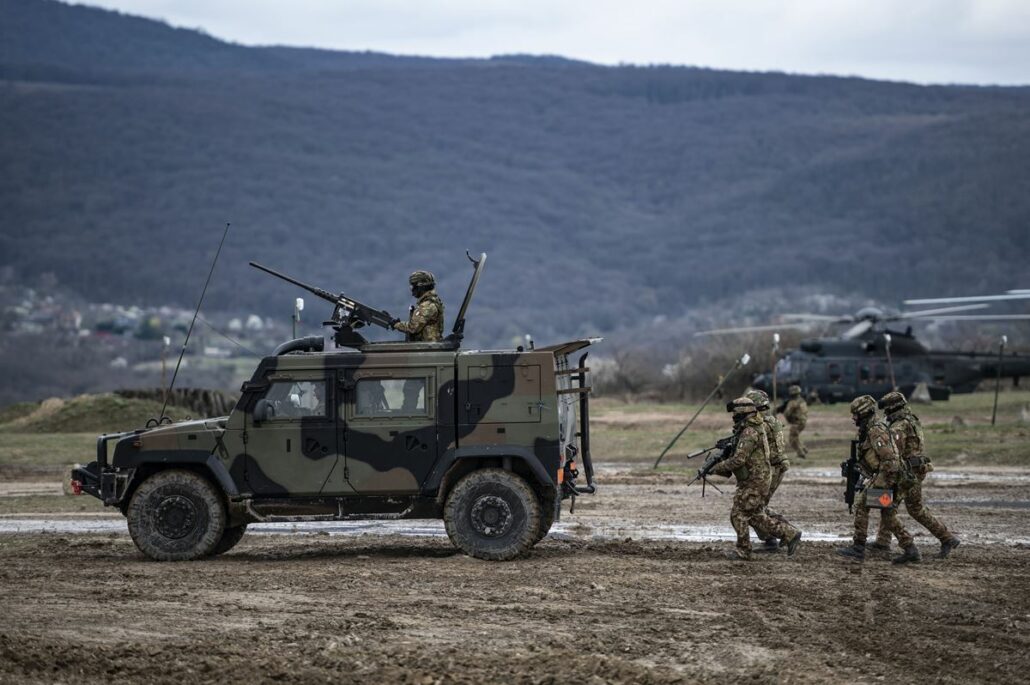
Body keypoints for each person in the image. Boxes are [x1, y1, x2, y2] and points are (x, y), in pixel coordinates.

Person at [707, 396, 802, 561]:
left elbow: (739, 460)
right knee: (756, 516)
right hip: (757, 479)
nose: (733, 418)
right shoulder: (752, 427)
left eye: (735, 414)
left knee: (738, 514)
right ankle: (789, 533)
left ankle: (744, 551)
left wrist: (716, 468)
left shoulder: (750, 431)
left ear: (743, 413)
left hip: (755, 481)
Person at [870, 391, 960, 559]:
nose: (885, 414)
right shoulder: (912, 420)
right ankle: (946, 538)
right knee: (910, 508)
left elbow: (893, 450)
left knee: (888, 505)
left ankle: (891, 543)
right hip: (915, 471)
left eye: (887, 410)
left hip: (907, 474)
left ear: (892, 409)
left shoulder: (900, 426)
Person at [837, 395, 920, 564]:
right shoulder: (869, 428)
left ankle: (858, 547)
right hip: (887, 475)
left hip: (888, 475)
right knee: (887, 513)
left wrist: (881, 483)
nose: (853, 418)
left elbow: (890, 459)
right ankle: (910, 548)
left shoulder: (876, 430)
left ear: (864, 413)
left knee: (861, 504)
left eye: (855, 414)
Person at [746, 389, 791, 551]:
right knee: (758, 506)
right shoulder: (771, 420)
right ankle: (776, 535)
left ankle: (784, 533)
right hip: (776, 466)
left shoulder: (761, 424)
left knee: (754, 508)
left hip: (771, 468)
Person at [392, 270, 444, 342]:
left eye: (413, 287)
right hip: (428, 347)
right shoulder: (431, 302)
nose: (412, 290)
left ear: (420, 287)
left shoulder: (427, 305)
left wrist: (396, 324)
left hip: (427, 348)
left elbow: (413, 328)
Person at [782, 385, 809, 459]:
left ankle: (800, 453)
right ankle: (804, 449)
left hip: (797, 422)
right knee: (796, 437)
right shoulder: (802, 400)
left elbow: (787, 413)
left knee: (792, 439)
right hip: (803, 422)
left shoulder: (793, 402)